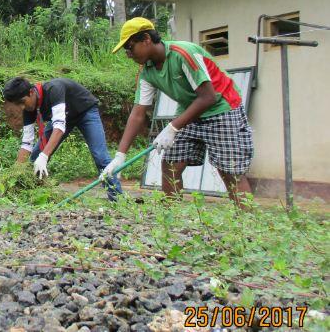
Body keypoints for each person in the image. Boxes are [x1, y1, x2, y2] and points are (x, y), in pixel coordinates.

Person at [102, 17, 254, 208]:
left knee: (230, 171)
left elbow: (208, 97)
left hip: (223, 108)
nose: (128, 54)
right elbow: (138, 112)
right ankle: (171, 217)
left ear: (146, 39)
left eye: (130, 47)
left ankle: (248, 227)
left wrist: (173, 127)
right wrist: (120, 156)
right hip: (191, 111)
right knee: (171, 164)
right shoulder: (147, 72)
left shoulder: (183, 53)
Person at [2, 76, 123, 201]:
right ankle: (31, 196)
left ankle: (118, 200)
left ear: (31, 92)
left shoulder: (54, 89)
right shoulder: (29, 108)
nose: (21, 107)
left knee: (100, 156)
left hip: (85, 111)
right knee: (35, 156)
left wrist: (44, 156)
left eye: (22, 101)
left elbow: (59, 128)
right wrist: (16, 173)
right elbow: (27, 144)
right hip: (65, 117)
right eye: (17, 104)